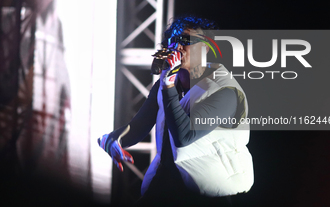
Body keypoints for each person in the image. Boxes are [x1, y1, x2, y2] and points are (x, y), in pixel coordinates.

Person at [98, 16, 254, 206]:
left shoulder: (224, 91)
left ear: (205, 48)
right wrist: (112, 139)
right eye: (174, 40)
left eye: (186, 41)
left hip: (204, 196)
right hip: (164, 188)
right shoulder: (167, 85)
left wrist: (168, 85)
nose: (178, 46)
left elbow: (184, 136)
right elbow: (138, 126)